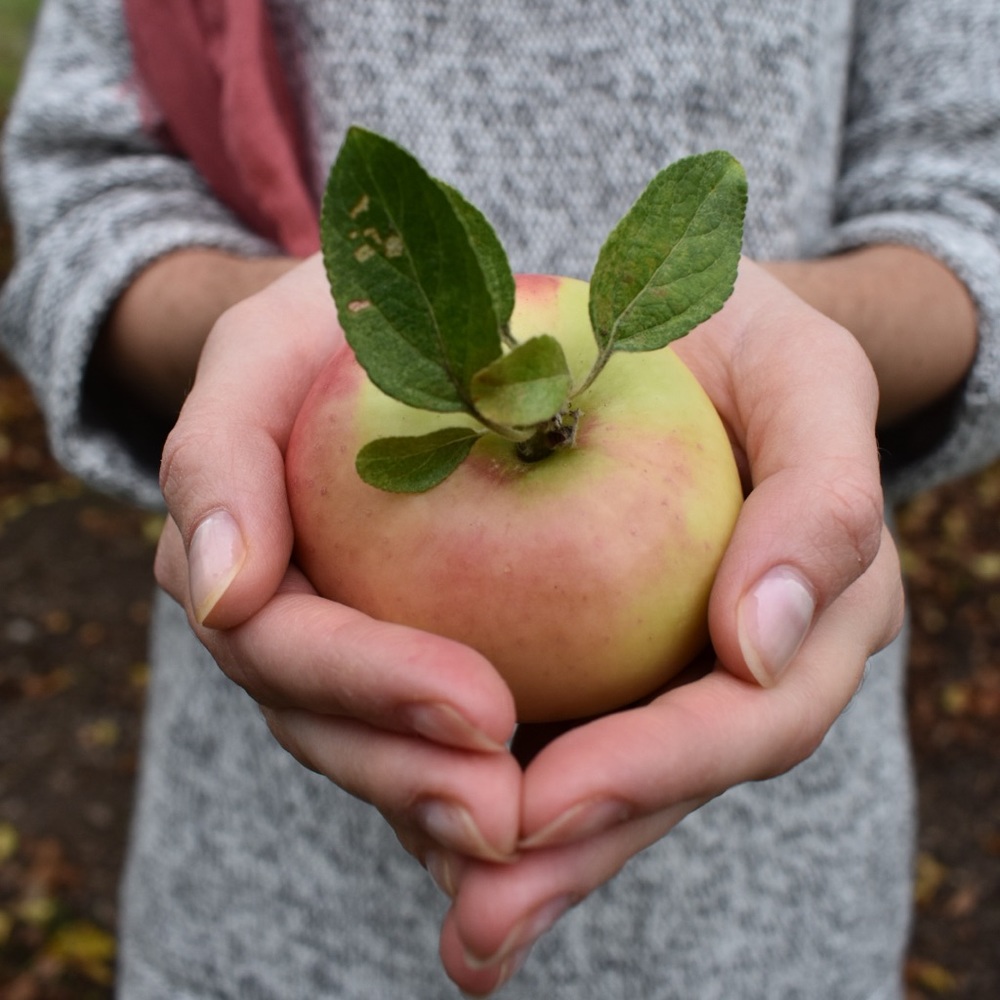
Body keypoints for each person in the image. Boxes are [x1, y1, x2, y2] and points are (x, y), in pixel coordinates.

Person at [2, 1, 998, 997]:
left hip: (775, 909)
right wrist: (254, 358)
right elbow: (86, 189)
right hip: (256, 899)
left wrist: (807, 383)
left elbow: (969, 208)